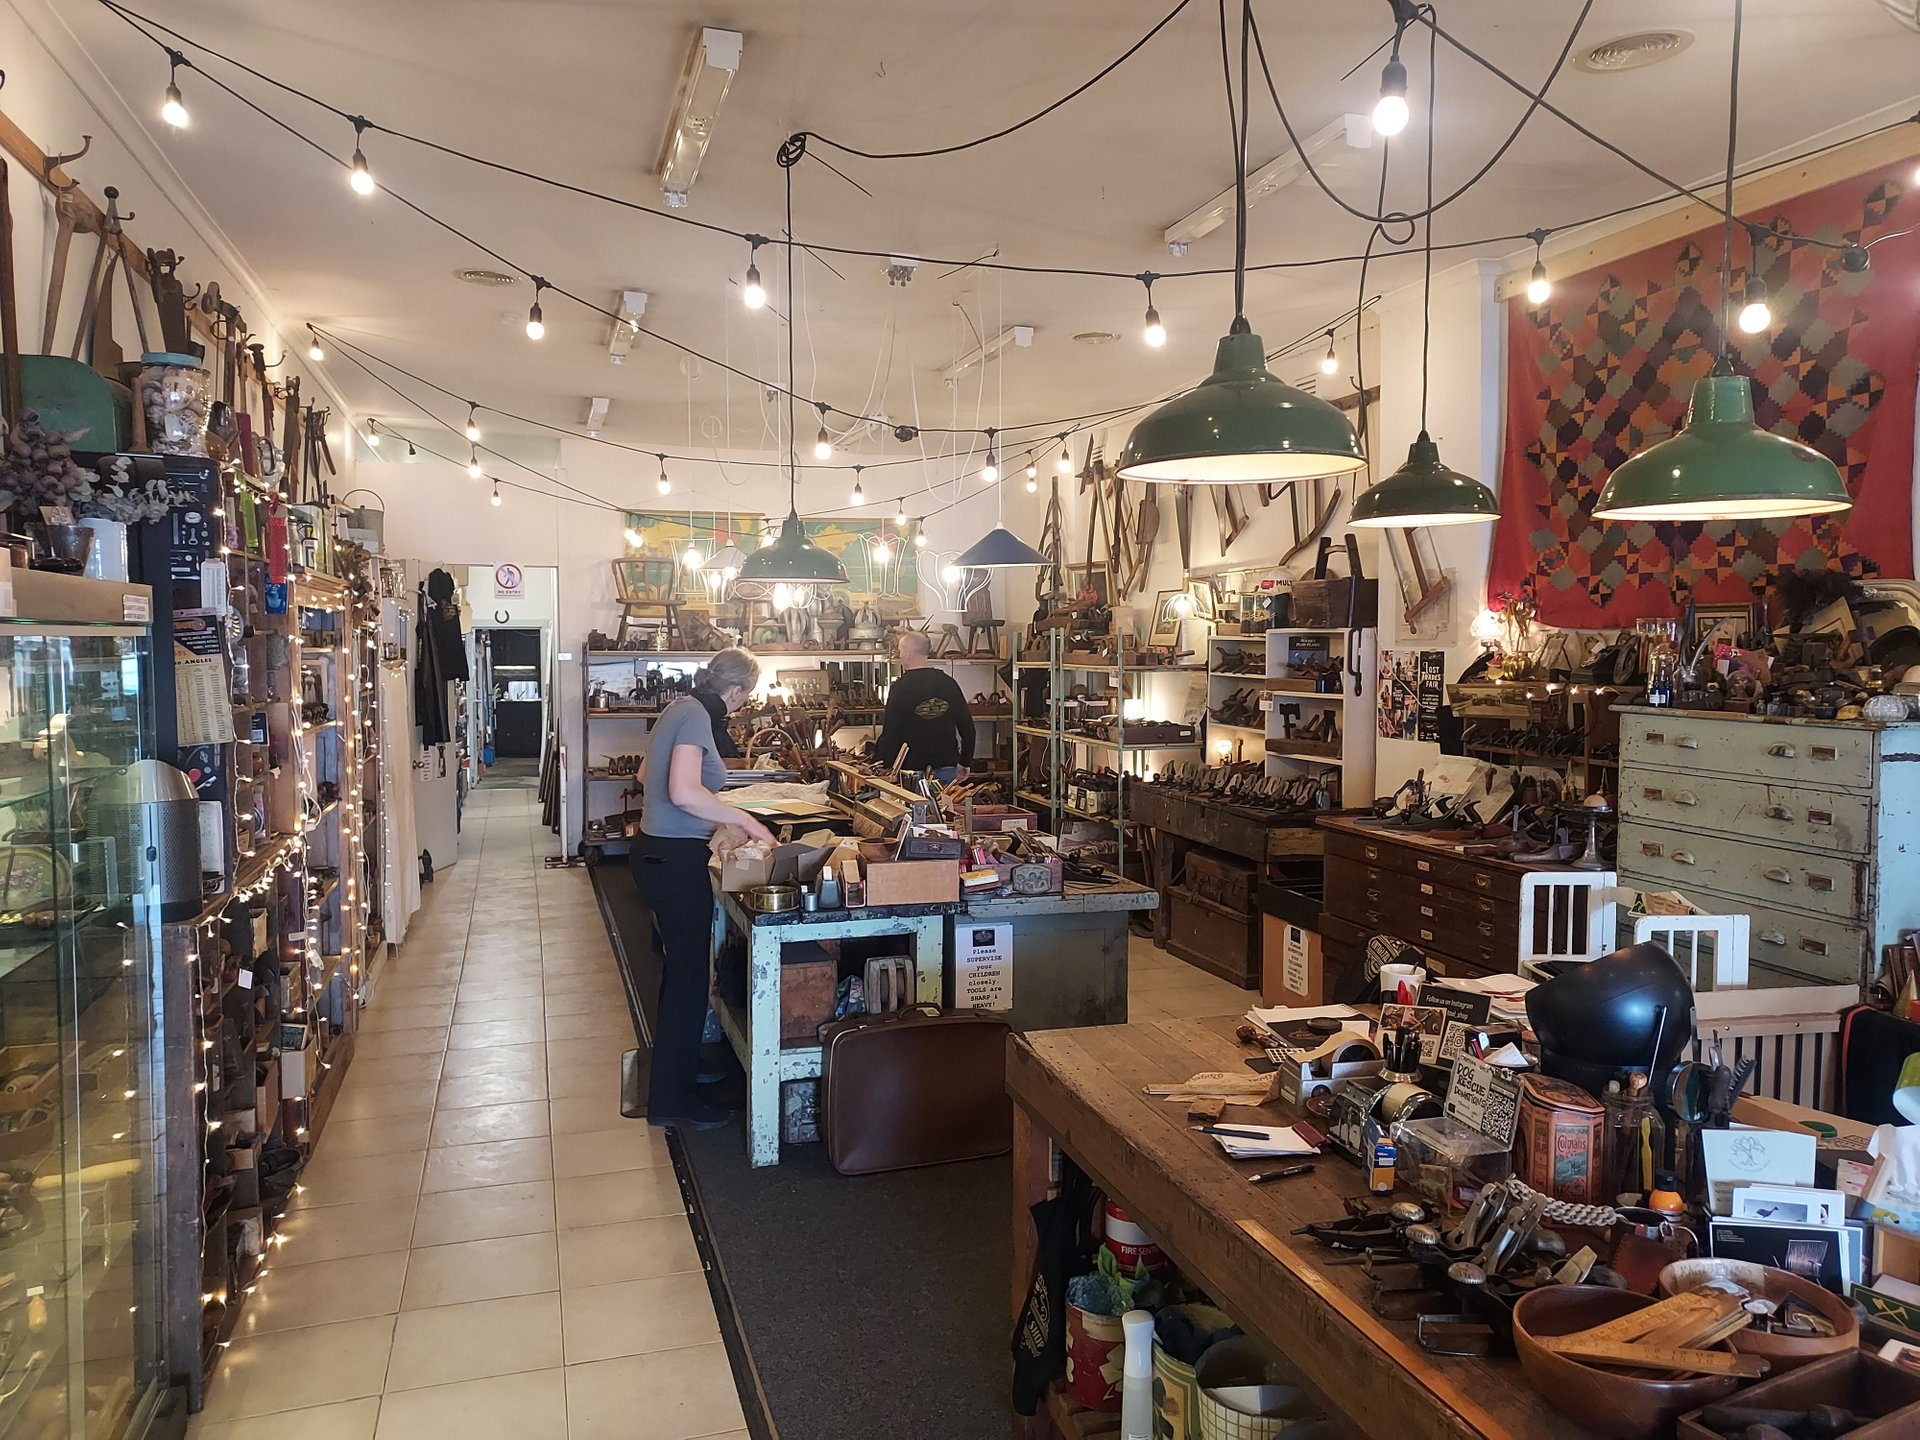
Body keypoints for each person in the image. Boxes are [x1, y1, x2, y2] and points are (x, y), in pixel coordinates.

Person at [631, 647, 772, 1130]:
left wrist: (715, 816)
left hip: (657, 852)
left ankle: (681, 1065)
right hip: (673, 859)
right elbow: (682, 791)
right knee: (688, 979)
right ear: (735, 689)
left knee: (683, 972)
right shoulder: (695, 715)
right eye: (744, 697)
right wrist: (745, 819)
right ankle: (672, 1100)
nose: (741, 705)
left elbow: (645, 775)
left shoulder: (680, 707)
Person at [876, 631, 975, 782]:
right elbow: (968, 728)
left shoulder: (900, 688)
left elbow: (890, 733)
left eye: (900, 651)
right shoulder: (948, 683)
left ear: (909, 653)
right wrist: (965, 762)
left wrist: (889, 768)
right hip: (946, 766)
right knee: (944, 799)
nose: (899, 655)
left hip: (910, 770)